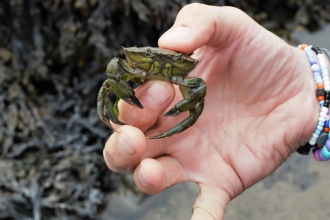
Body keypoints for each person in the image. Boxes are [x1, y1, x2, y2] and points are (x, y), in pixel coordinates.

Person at [102, 3, 322, 220]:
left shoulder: (194, 80)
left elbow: (197, 97)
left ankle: (164, 130)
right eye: (148, 56)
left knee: (197, 102)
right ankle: (118, 121)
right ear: (135, 56)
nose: (160, 65)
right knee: (109, 88)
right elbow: (112, 74)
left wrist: (303, 89)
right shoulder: (130, 66)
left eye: (175, 62)